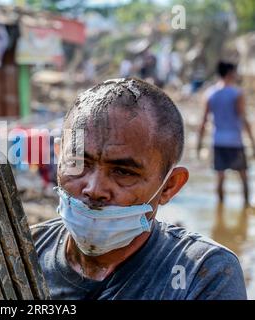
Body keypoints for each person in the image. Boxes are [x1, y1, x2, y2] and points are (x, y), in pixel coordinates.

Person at [31, 78, 247, 300]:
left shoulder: (203, 274)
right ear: (59, 158)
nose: (94, 189)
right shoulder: (23, 251)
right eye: (78, 163)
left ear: (169, 186)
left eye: (123, 172)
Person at [197, 61, 255, 207]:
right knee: (243, 177)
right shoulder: (237, 93)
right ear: (230, 73)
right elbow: (243, 118)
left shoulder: (210, 93)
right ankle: (246, 206)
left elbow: (203, 121)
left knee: (220, 178)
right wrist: (252, 141)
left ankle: (220, 208)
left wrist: (199, 143)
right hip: (235, 141)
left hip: (218, 140)